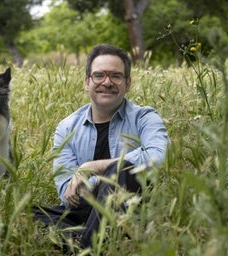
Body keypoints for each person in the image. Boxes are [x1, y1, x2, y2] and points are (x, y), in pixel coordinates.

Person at [33, 43, 169, 249]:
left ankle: (85, 248)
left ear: (128, 83)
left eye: (116, 76)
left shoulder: (145, 117)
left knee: (122, 170)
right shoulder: (67, 127)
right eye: (99, 75)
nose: (107, 82)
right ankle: (98, 239)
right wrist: (100, 183)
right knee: (29, 215)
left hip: (128, 208)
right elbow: (66, 192)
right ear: (87, 82)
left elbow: (158, 156)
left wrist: (92, 167)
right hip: (82, 211)